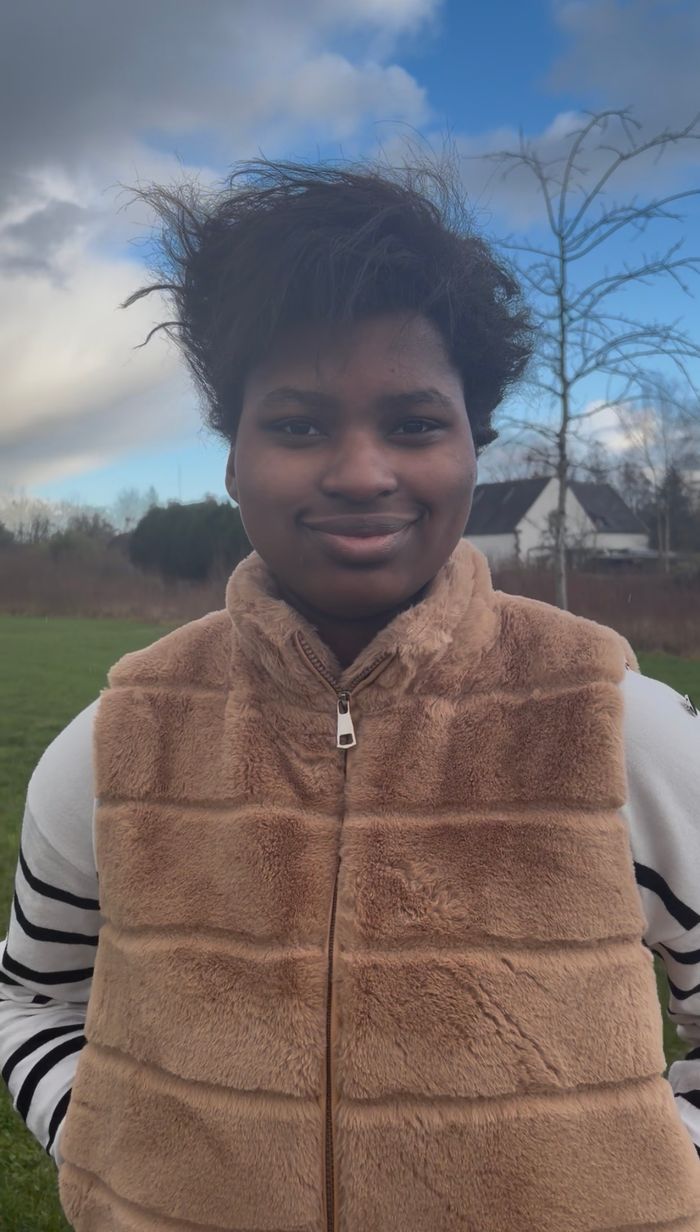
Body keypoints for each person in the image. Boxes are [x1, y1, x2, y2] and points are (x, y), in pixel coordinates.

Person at [2, 159, 700, 1232]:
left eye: (414, 423)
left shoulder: (620, 728)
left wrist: (647, 1168)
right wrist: (109, 1142)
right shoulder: (116, 742)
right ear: (231, 460)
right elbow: (33, 993)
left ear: (472, 450)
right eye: (299, 425)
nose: (363, 471)